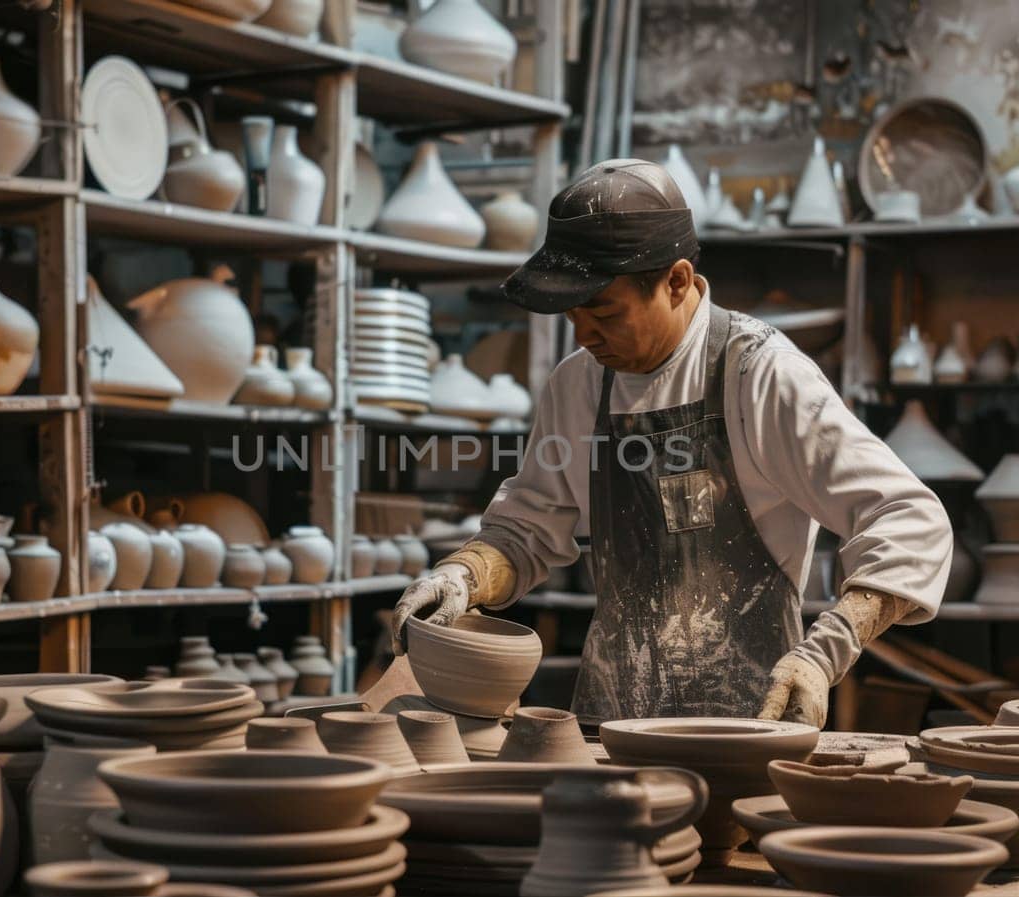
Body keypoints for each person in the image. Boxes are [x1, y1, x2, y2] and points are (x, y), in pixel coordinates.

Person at [390, 158, 952, 726]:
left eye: (603, 311)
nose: (583, 334)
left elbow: (910, 517)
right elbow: (530, 526)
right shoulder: (578, 383)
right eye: (573, 314)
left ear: (677, 281)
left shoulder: (759, 373)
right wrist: (463, 575)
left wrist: (823, 652)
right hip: (609, 724)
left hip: (750, 723)